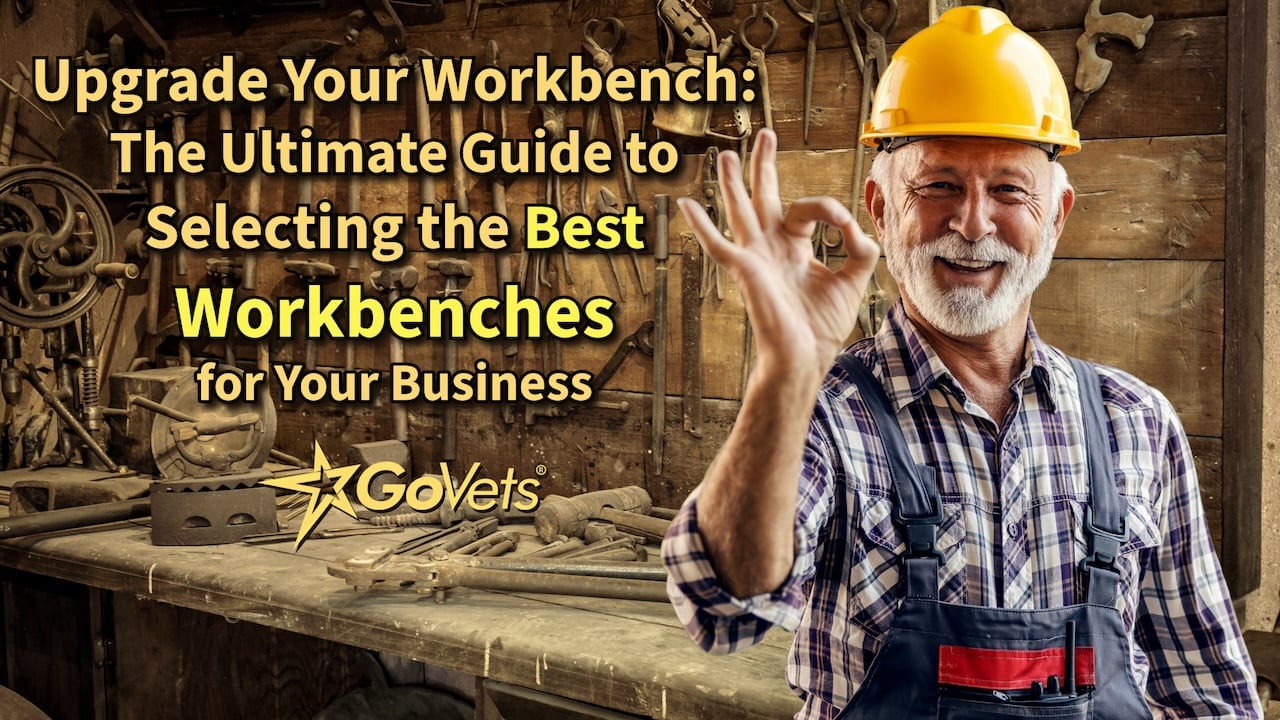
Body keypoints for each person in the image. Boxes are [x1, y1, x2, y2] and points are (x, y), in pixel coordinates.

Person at [661, 6, 1262, 719]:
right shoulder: (824, 416)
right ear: (880, 208)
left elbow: (1213, 699)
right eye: (939, 185)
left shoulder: (1137, 425)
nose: (973, 223)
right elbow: (726, 611)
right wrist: (786, 372)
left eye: (1009, 190)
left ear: (1058, 217)